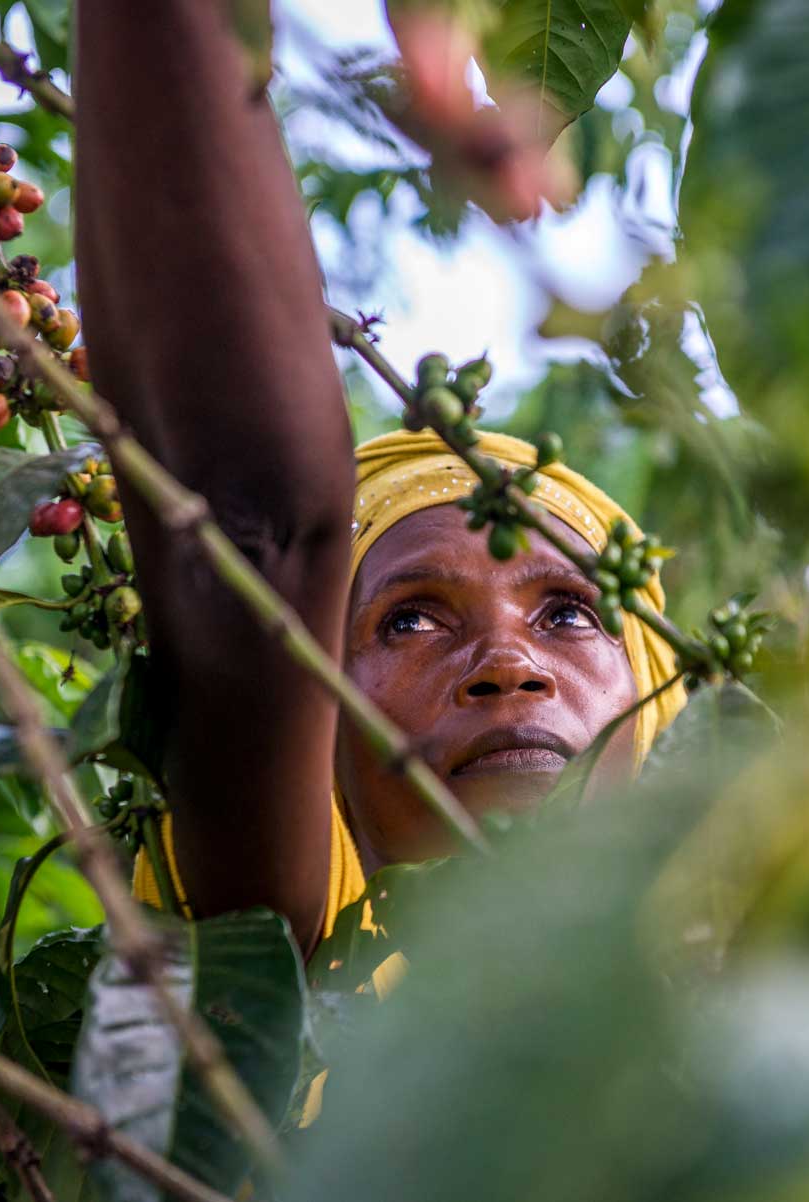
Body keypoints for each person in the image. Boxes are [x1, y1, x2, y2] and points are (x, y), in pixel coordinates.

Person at [75, 4, 684, 957]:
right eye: (407, 619)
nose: (507, 665)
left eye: (568, 611)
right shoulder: (300, 968)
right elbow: (255, 525)